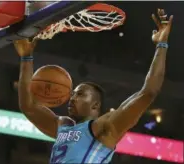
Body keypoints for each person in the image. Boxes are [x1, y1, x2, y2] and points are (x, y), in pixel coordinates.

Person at [14, 9, 173, 163]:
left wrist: (162, 45)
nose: (73, 97)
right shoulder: (63, 126)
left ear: (95, 105)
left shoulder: (105, 128)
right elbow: (28, 106)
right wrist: (26, 58)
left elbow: (148, 92)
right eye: (74, 93)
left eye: (80, 94)